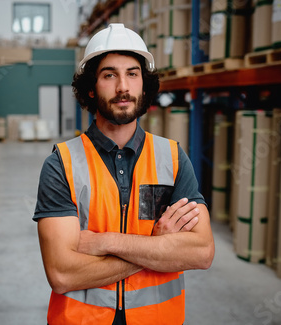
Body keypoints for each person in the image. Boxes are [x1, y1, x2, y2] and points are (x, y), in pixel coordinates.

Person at [33, 23, 215, 325]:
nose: (123, 87)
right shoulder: (61, 164)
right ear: (91, 87)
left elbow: (202, 252)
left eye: (132, 73)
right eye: (109, 75)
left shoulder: (172, 158)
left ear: (143, 84)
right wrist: (157, 247)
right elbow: (62, 273)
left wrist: (106, 242)